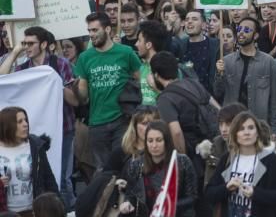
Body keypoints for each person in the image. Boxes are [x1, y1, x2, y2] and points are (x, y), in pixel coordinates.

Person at [0, 26, 77, 209]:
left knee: (63, 180)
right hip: (32, 134)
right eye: (24, 43)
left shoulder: (60, 64)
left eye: (31, 43)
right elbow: (2, 78)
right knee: (38, 177)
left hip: (63, 129)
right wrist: (15, 52)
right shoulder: (23, 68)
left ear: (43, 44)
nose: (27, 47)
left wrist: (56, 82)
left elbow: (74, 101)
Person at [74, 12, 142, 171]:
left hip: (122, 119)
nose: (91, 34)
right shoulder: (84, 57)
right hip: (97, 122)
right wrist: (77, 89)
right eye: (89, 30)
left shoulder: (126, 52)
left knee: (125, 166)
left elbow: (140, 80)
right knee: (103, 170)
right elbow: (83, 96)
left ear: (107, 30)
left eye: (95, 30)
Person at [205, 111, 276, 217]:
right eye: (241, 129)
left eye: (251, 128)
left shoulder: (269, 159)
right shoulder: (228, 158)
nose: (247, 133)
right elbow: (209, 193)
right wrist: (226, 188)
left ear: (257, 132)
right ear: (235, 134)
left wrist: (256, 193)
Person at [214, 16, 276, 132]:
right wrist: (219, 73)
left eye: (247, 30)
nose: (241, 33)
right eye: (239, 29)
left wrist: (274, 130)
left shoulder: (268, 62)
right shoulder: (226, 61)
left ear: (256, 36)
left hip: (259, 125)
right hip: (232, 124)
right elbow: (218, 92)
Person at [119, 120, 198, 217]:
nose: (154, 145)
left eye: (159, 140)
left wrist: (167, 207)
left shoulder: (182, 162)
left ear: (167, 141)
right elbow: (131, 194)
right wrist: (127, 203)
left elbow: (192, 197)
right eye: (150, 141)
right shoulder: (136, 165)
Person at [0, 107, 59, 214]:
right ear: (7, 125)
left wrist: (59, 205)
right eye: (19, 121)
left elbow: (48, 178)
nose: (25, 124)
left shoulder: (35, 146)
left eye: (25, 120)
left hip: (33, 211)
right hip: (5, 212)